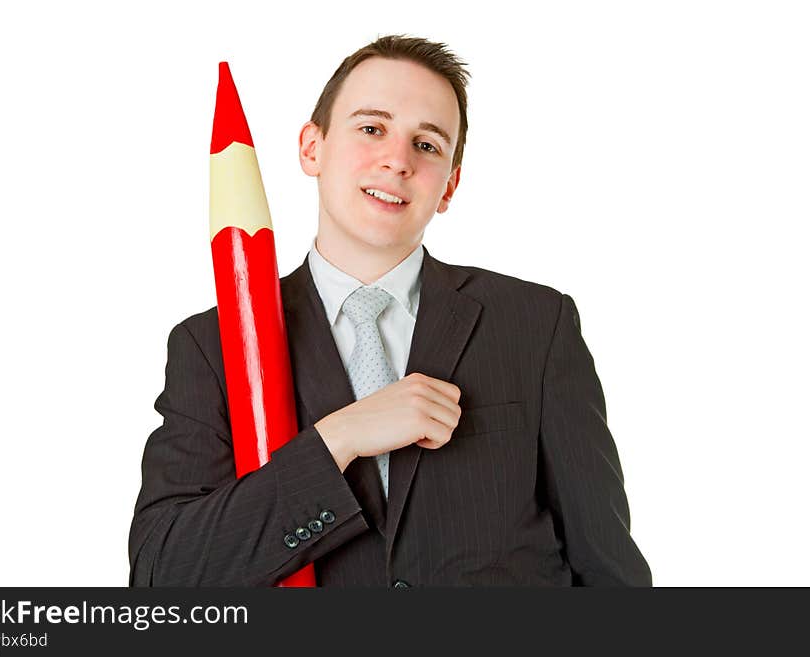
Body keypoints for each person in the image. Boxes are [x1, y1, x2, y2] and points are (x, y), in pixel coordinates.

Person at [128, 34, 652, 586]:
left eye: (426, 145)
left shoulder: (536, 326)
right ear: (312, 147)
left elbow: (608, 569)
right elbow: (163, 574)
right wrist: (338, 439)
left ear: (448, 185)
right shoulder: (210, 346)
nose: (397, 160)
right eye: (371, 128)